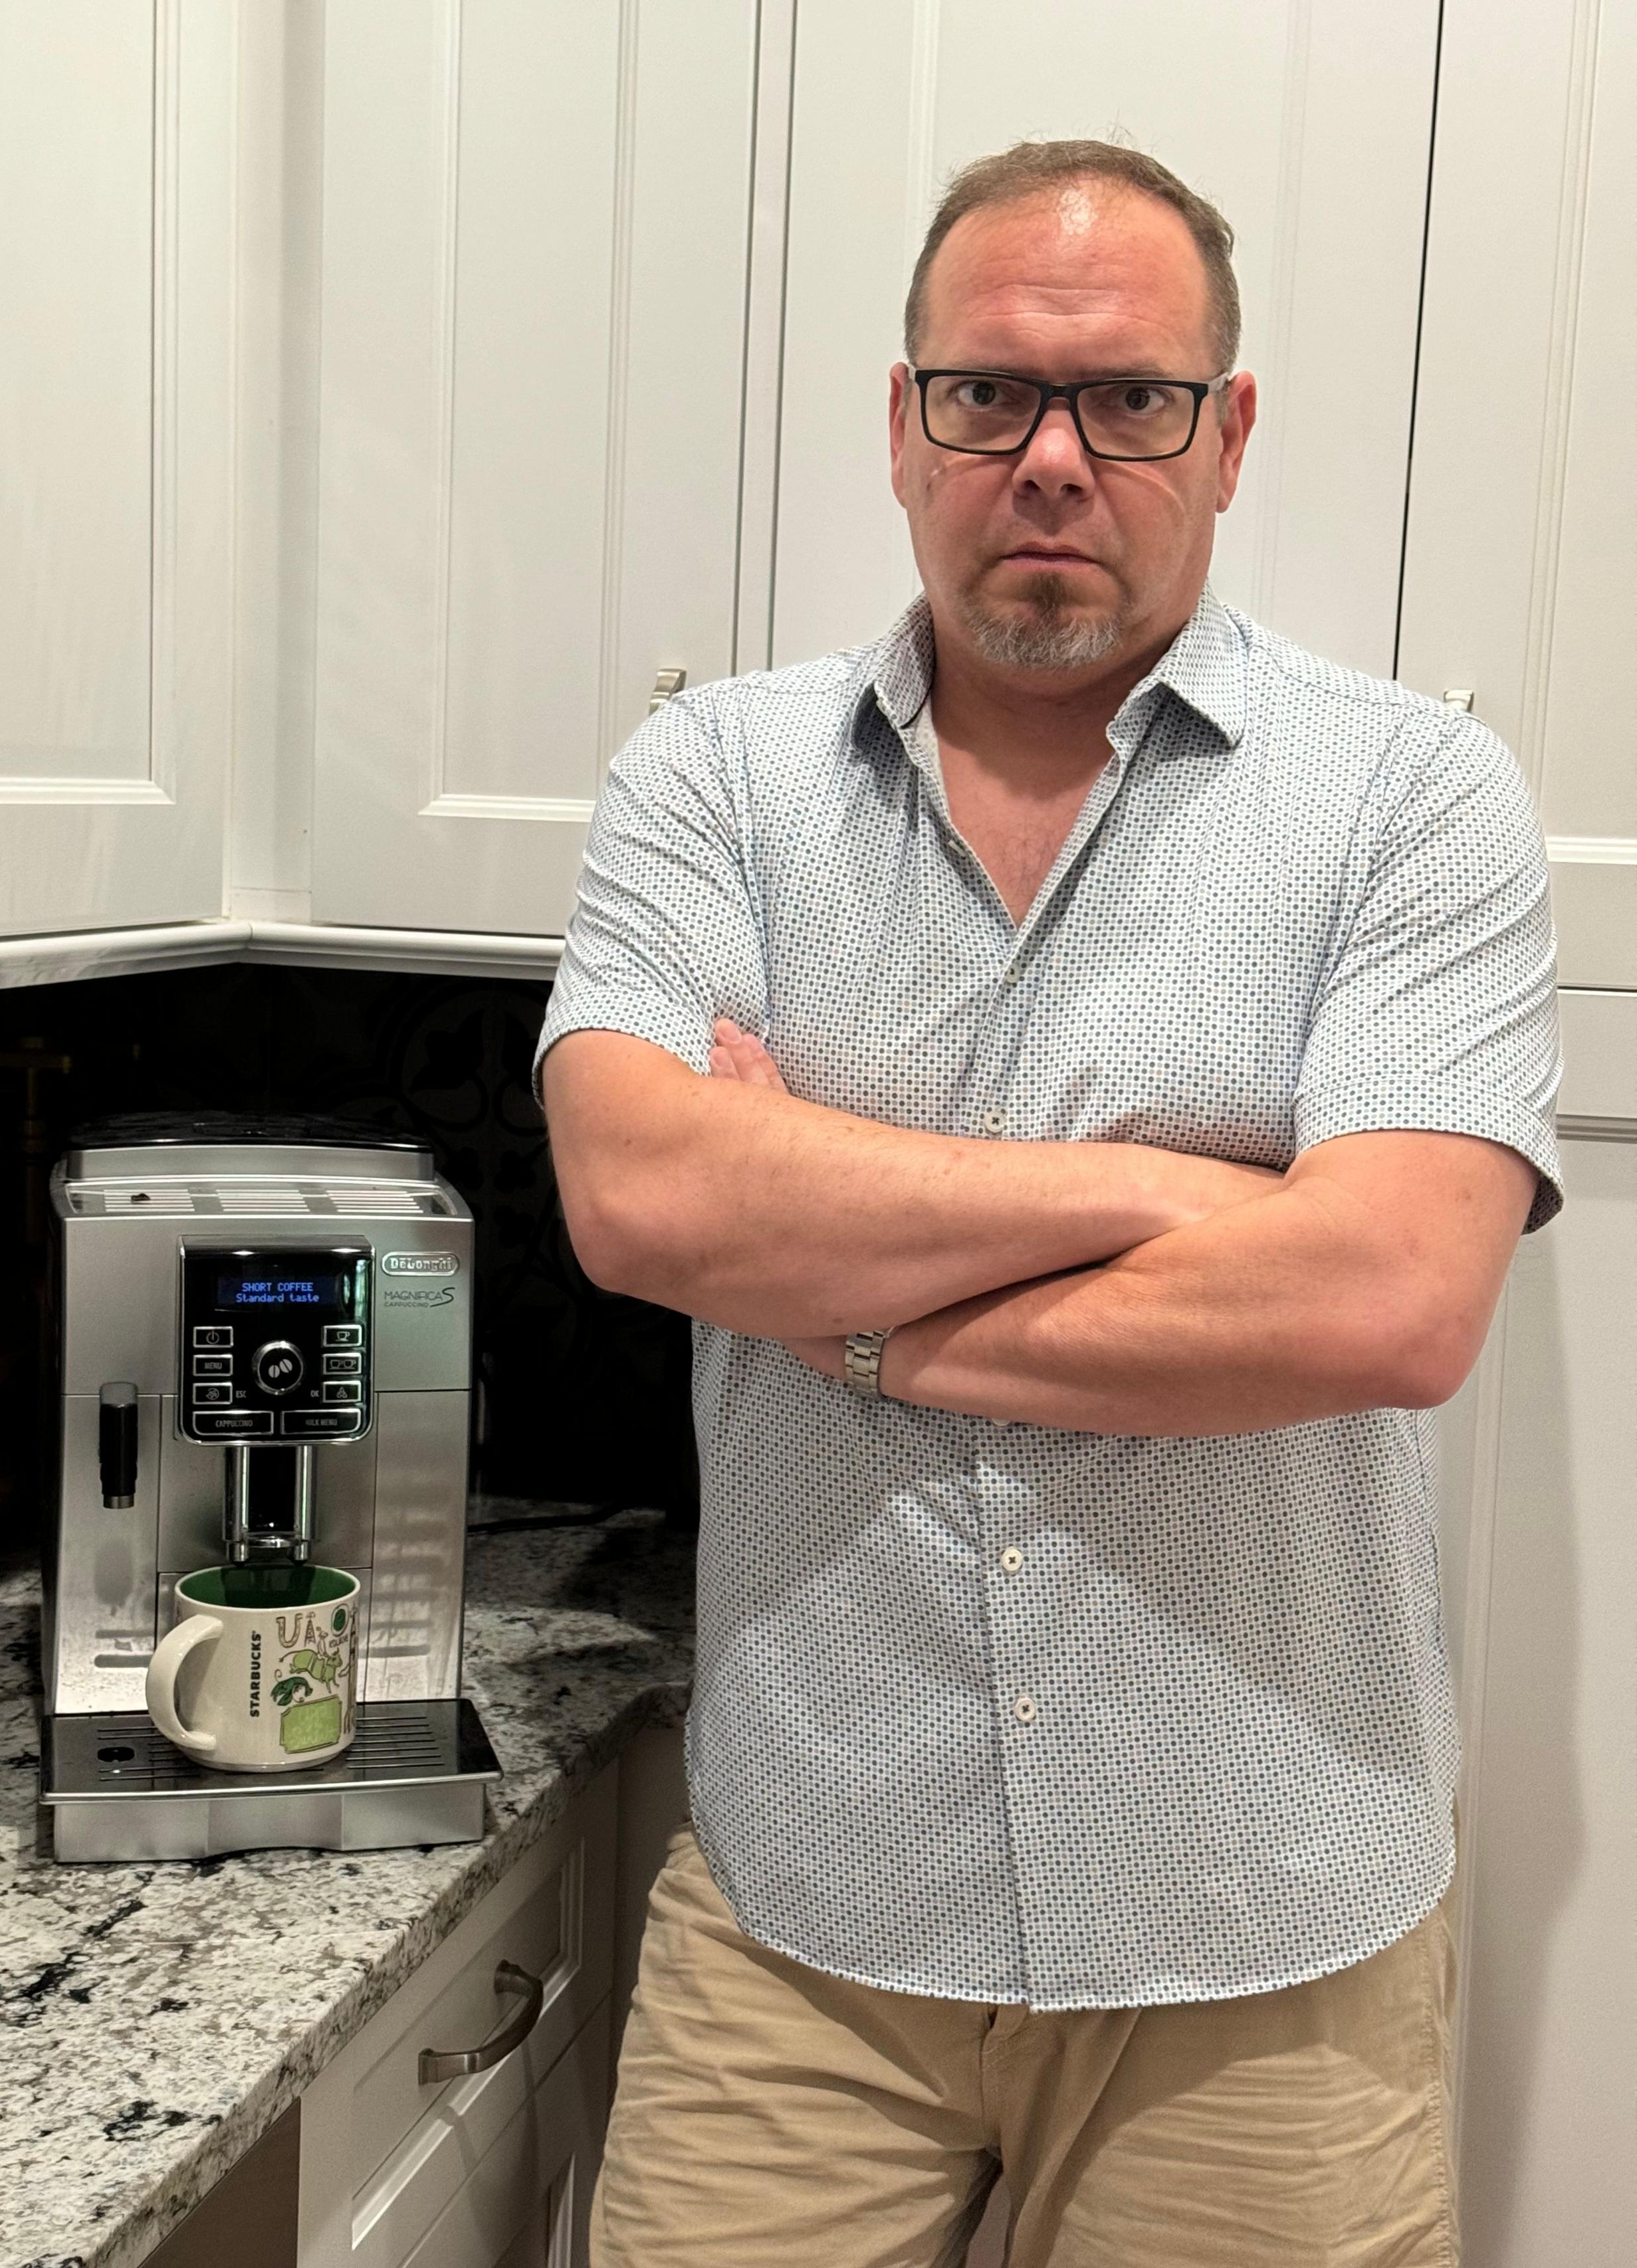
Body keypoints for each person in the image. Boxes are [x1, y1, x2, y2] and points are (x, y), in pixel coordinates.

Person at [537, 140, 1560, 2267]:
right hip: (810, 1917)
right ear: (905, 428)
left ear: (1231, 430)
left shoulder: (1413, 796)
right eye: (990, 394)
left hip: (1266, 1944)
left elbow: (1386, 1306)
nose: (1057, 456)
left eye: (1134, 398)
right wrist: (1169, 1204)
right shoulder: (710, 779)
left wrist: (836, 1292)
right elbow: (640, 1192)